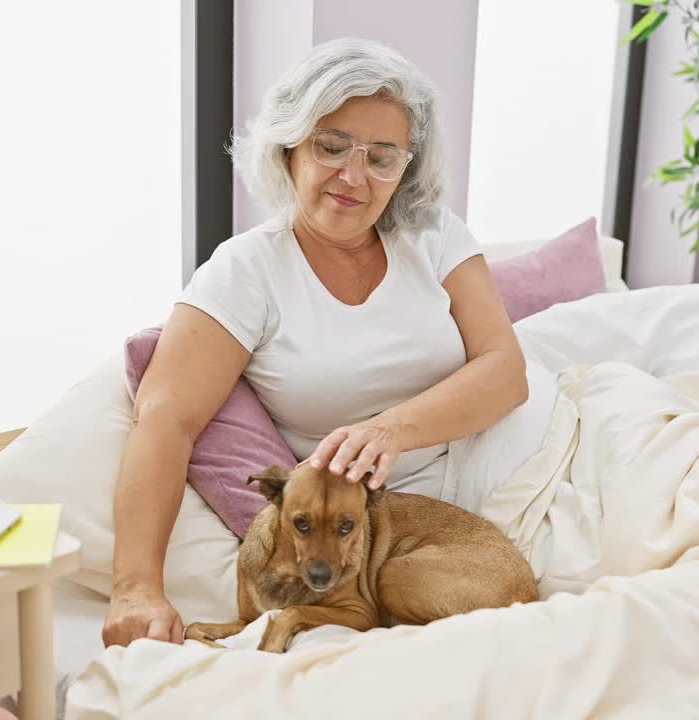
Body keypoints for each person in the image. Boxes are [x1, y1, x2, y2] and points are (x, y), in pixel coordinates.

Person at [101, 37, 528, 649]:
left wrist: (389, 430)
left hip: (502, 469)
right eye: (331, 147)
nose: (354, 177)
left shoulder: (433, 233)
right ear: (289, 145)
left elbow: (507, 370)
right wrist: (135, 585)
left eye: (383, 157)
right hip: (376, 534)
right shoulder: (247, 270)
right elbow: (165, 419)